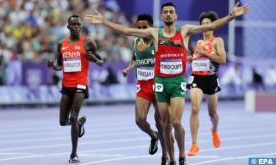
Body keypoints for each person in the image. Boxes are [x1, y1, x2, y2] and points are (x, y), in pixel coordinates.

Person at [84, 2, 250, 165]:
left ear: (176, 16)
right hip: (161, 83)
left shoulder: (185, 31)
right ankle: (171, 159)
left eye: (171, 11)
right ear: (161, 16)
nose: (169, 14)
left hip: (177, 82)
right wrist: (105, 22)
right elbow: (127, 31)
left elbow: (210, 26)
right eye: (166, 12)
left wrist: (231, 16)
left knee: (177, 122)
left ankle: (182, 155)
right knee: (165, 124)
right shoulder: (155, 33)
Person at [47, 15, 104, 163]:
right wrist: (53, 66)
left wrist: (95, 60)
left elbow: (102, 62)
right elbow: (60, 65)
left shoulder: (88, 42)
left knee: (73, 116)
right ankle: (78, 124)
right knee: (62, 121)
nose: (76, 27)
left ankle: (74, 154)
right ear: (68, 27)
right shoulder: (61, 44)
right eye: (73, 25)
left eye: (79, 25)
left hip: (80, 84)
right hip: (66, 85)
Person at [122, 14, 168, 165]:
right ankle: (153, 136)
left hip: (158, 83)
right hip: (142, 84)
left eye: (145, 27)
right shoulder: (136, 41)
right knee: (139, 120)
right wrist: (128, 69)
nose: (141, 30)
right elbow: (135, 58)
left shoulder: (158, 40)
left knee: (160, 122)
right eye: (139, 27)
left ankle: (165, 156)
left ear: (152, 27)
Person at [186, 11, 226, 156]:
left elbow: (222, 59)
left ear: (213, 26)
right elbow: (199, 58)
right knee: (195, 108)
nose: (204, 26)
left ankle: (214, 130)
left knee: (212, 113)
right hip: (197, 78)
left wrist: (204, 52)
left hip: (210, 79)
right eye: (202, 24)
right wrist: (192, 59)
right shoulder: (198, 43)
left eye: (207, 24)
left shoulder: (217, 41)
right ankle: (194, 144)